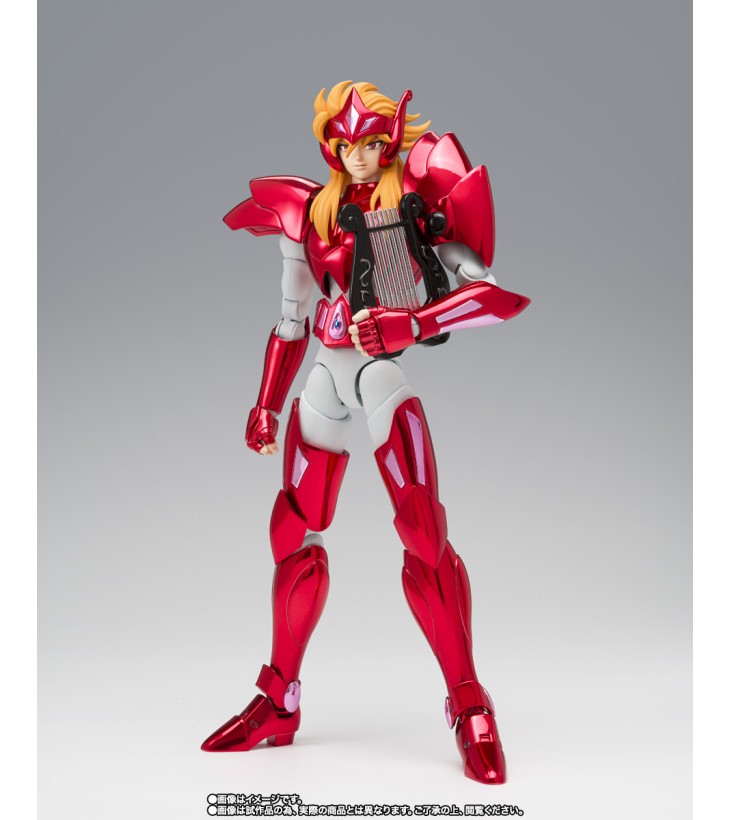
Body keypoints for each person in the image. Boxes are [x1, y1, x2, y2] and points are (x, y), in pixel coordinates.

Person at [201, 81, 529, 784]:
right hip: (325, 374)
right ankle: (279, 698)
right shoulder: (310, 216)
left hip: (379, 374)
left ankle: (468, 699)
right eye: (347, 143)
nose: (360, 155)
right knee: (293, 534)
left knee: (423, 531)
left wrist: (415, 322)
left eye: (374, 143)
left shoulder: (414, 208)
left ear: (390, 143)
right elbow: (291, 321)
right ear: (330, 146)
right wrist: (265, 403)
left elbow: (494, 296)